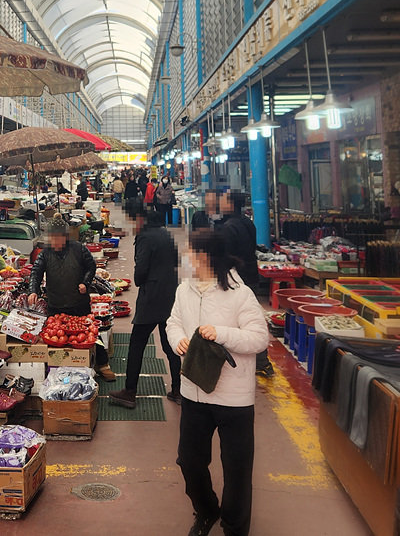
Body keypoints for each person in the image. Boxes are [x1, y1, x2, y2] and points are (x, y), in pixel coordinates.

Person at [167, 230, 270, 536]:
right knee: (189, 461)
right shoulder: (184, 288)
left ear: (206, 257)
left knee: (237, 471)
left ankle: (235, 527)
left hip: (233, 400)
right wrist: (178, 340)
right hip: (194, 391)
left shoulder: (239, 292)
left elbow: (259, 338)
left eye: (191, 253)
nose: (186, 259)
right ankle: (207, 509)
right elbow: (173, 322)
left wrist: (221, 333)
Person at [109, 207, 182, 408]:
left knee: (137, 343)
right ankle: (178, 390)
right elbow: (176, 261)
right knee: (170, 345)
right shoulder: (166, 234)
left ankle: (129, 392)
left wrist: (141, 279)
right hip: (170, 295)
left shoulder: (145, 238)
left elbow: (140, 272)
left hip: (152, 297)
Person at [29, 226, 115, 381]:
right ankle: (58, 370)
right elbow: (36, 272)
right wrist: (33, 290)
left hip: (79, 302)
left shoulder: (78, 248)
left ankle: (103, 365)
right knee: (55, 338)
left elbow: (91, 266)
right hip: (56, 303)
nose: (54, 242)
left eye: (57, 238)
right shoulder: (46, 253)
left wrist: (85, 282)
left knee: (92, 333)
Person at [215, 192, 272, 377]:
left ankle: (255, 361)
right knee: (253, 319)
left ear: (230, 205)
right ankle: (262, 362)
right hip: (251, 275)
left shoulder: (229, 227)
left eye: (223, 200)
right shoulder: (247, 222)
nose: (220, 203)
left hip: (237, 280)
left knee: (238, 319)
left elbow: (225, 255)